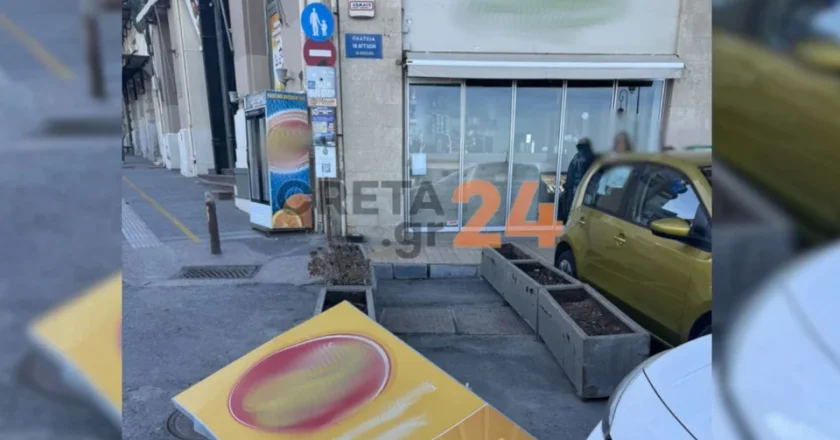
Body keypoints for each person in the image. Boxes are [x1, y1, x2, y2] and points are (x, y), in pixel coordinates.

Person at [560, 138, 596, 223]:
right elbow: (571, 173)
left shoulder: (587, 158)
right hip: (576, 189)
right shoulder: (578, 157)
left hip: (583, 190)